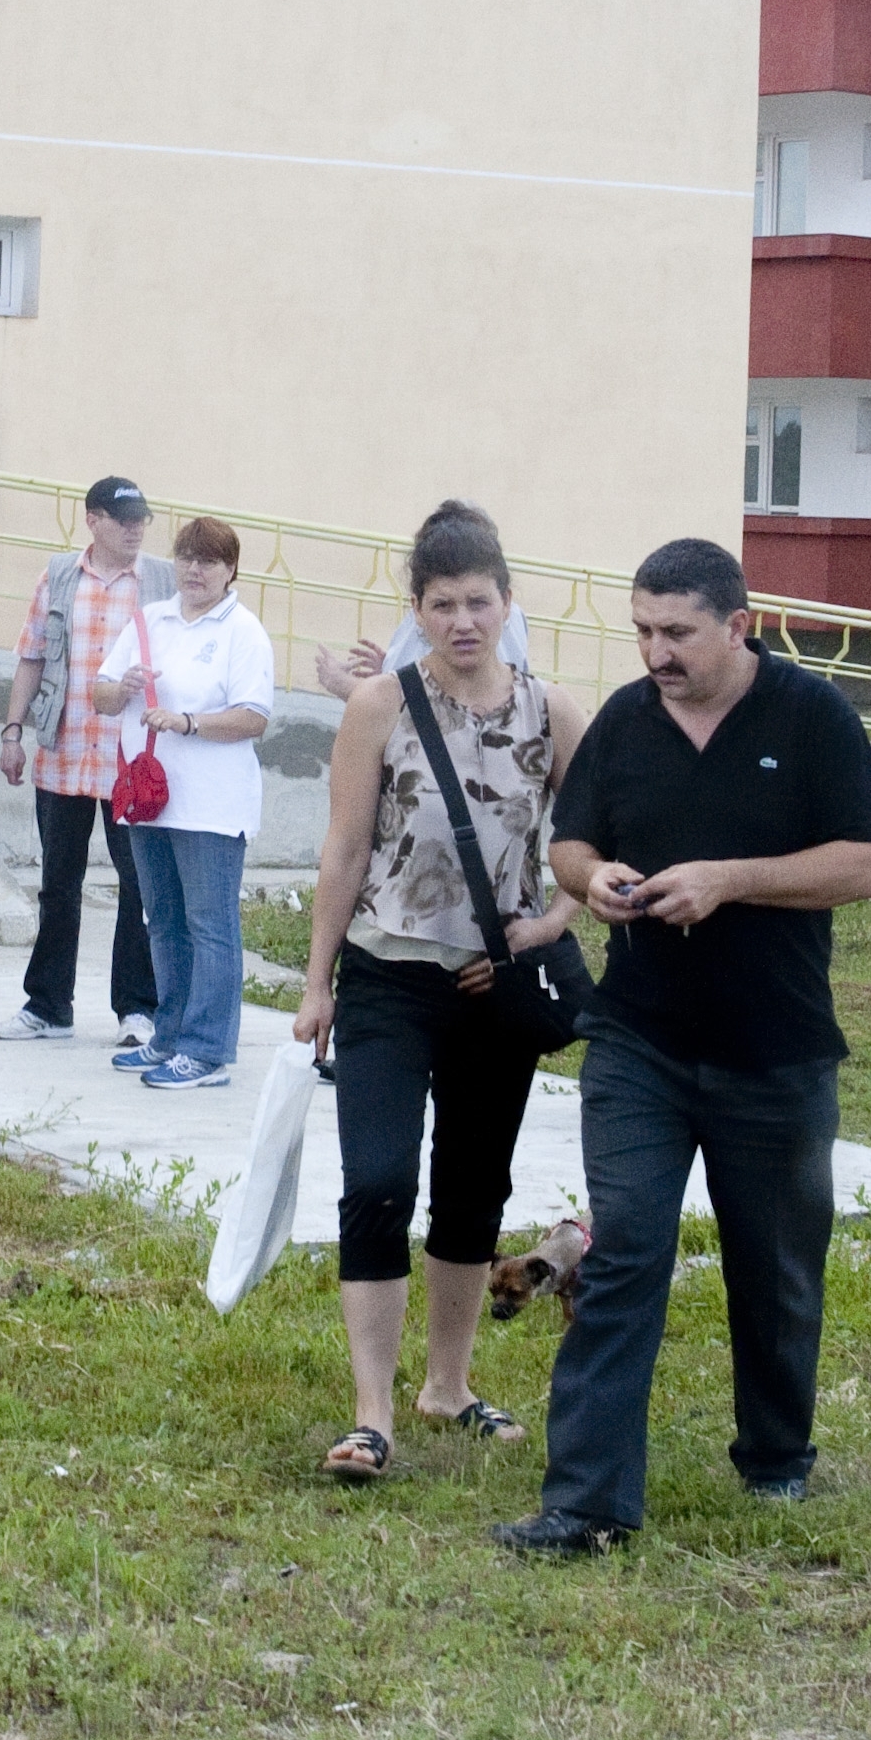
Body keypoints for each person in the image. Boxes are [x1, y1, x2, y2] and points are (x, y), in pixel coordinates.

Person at [494, 537, 871, 1559]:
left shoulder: (808, 718)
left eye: (675, 632)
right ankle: (584, 1504)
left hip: (775, 1051)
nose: (655, 652)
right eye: (640, 631)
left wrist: (728, 879)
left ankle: (773, 1460)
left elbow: (866, 864)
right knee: (624, 1249)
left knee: (772, 1272)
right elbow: (570, 840)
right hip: (639, 1044)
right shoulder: (627, 722)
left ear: (737, 625)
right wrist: (593, 883)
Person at [293, 501, 587, 1482]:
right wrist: (316, 982)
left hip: (490, 989)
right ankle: (370, 1411)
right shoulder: (380, 705)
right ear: (416, 610)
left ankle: (445, 1386)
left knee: (470, 1189)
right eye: (441, 605)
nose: (462, 620)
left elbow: (590, 851)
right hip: (387, 974)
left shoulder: (554, 716)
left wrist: (549, 925)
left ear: (507, 602)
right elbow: (341, 850)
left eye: (477, 602)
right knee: (376, 1181)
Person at [0, 477, 177, 1044]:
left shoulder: (163, 580)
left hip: (131, 760)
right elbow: (32, 657)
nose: (135, 528)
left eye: (141, 518)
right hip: (64, 753)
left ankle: (137, 1010)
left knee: (138, 886)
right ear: (93, 519)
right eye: (123, 518)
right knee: (57, 884)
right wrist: (12, 732)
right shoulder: (58, 576)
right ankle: (48, 1007)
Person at [91, 516, 274, 1090]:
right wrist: (122, 689)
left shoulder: (244, 632)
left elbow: (254, 717)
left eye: (209, 560)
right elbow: (98, 692)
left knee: (210, 926)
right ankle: (168, 1036)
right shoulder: (150, 620)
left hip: (212, 807)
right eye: (187, 558)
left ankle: (208, 1050)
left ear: (231, 570)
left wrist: (187, 722)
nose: (195, 569)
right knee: (162, 922)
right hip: (150, 802)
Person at [314, 603, 531, 700]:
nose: (463, 624)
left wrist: (341, 683)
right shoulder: (512, 611)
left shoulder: (437, 608)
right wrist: (390, 669)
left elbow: (412, 709)